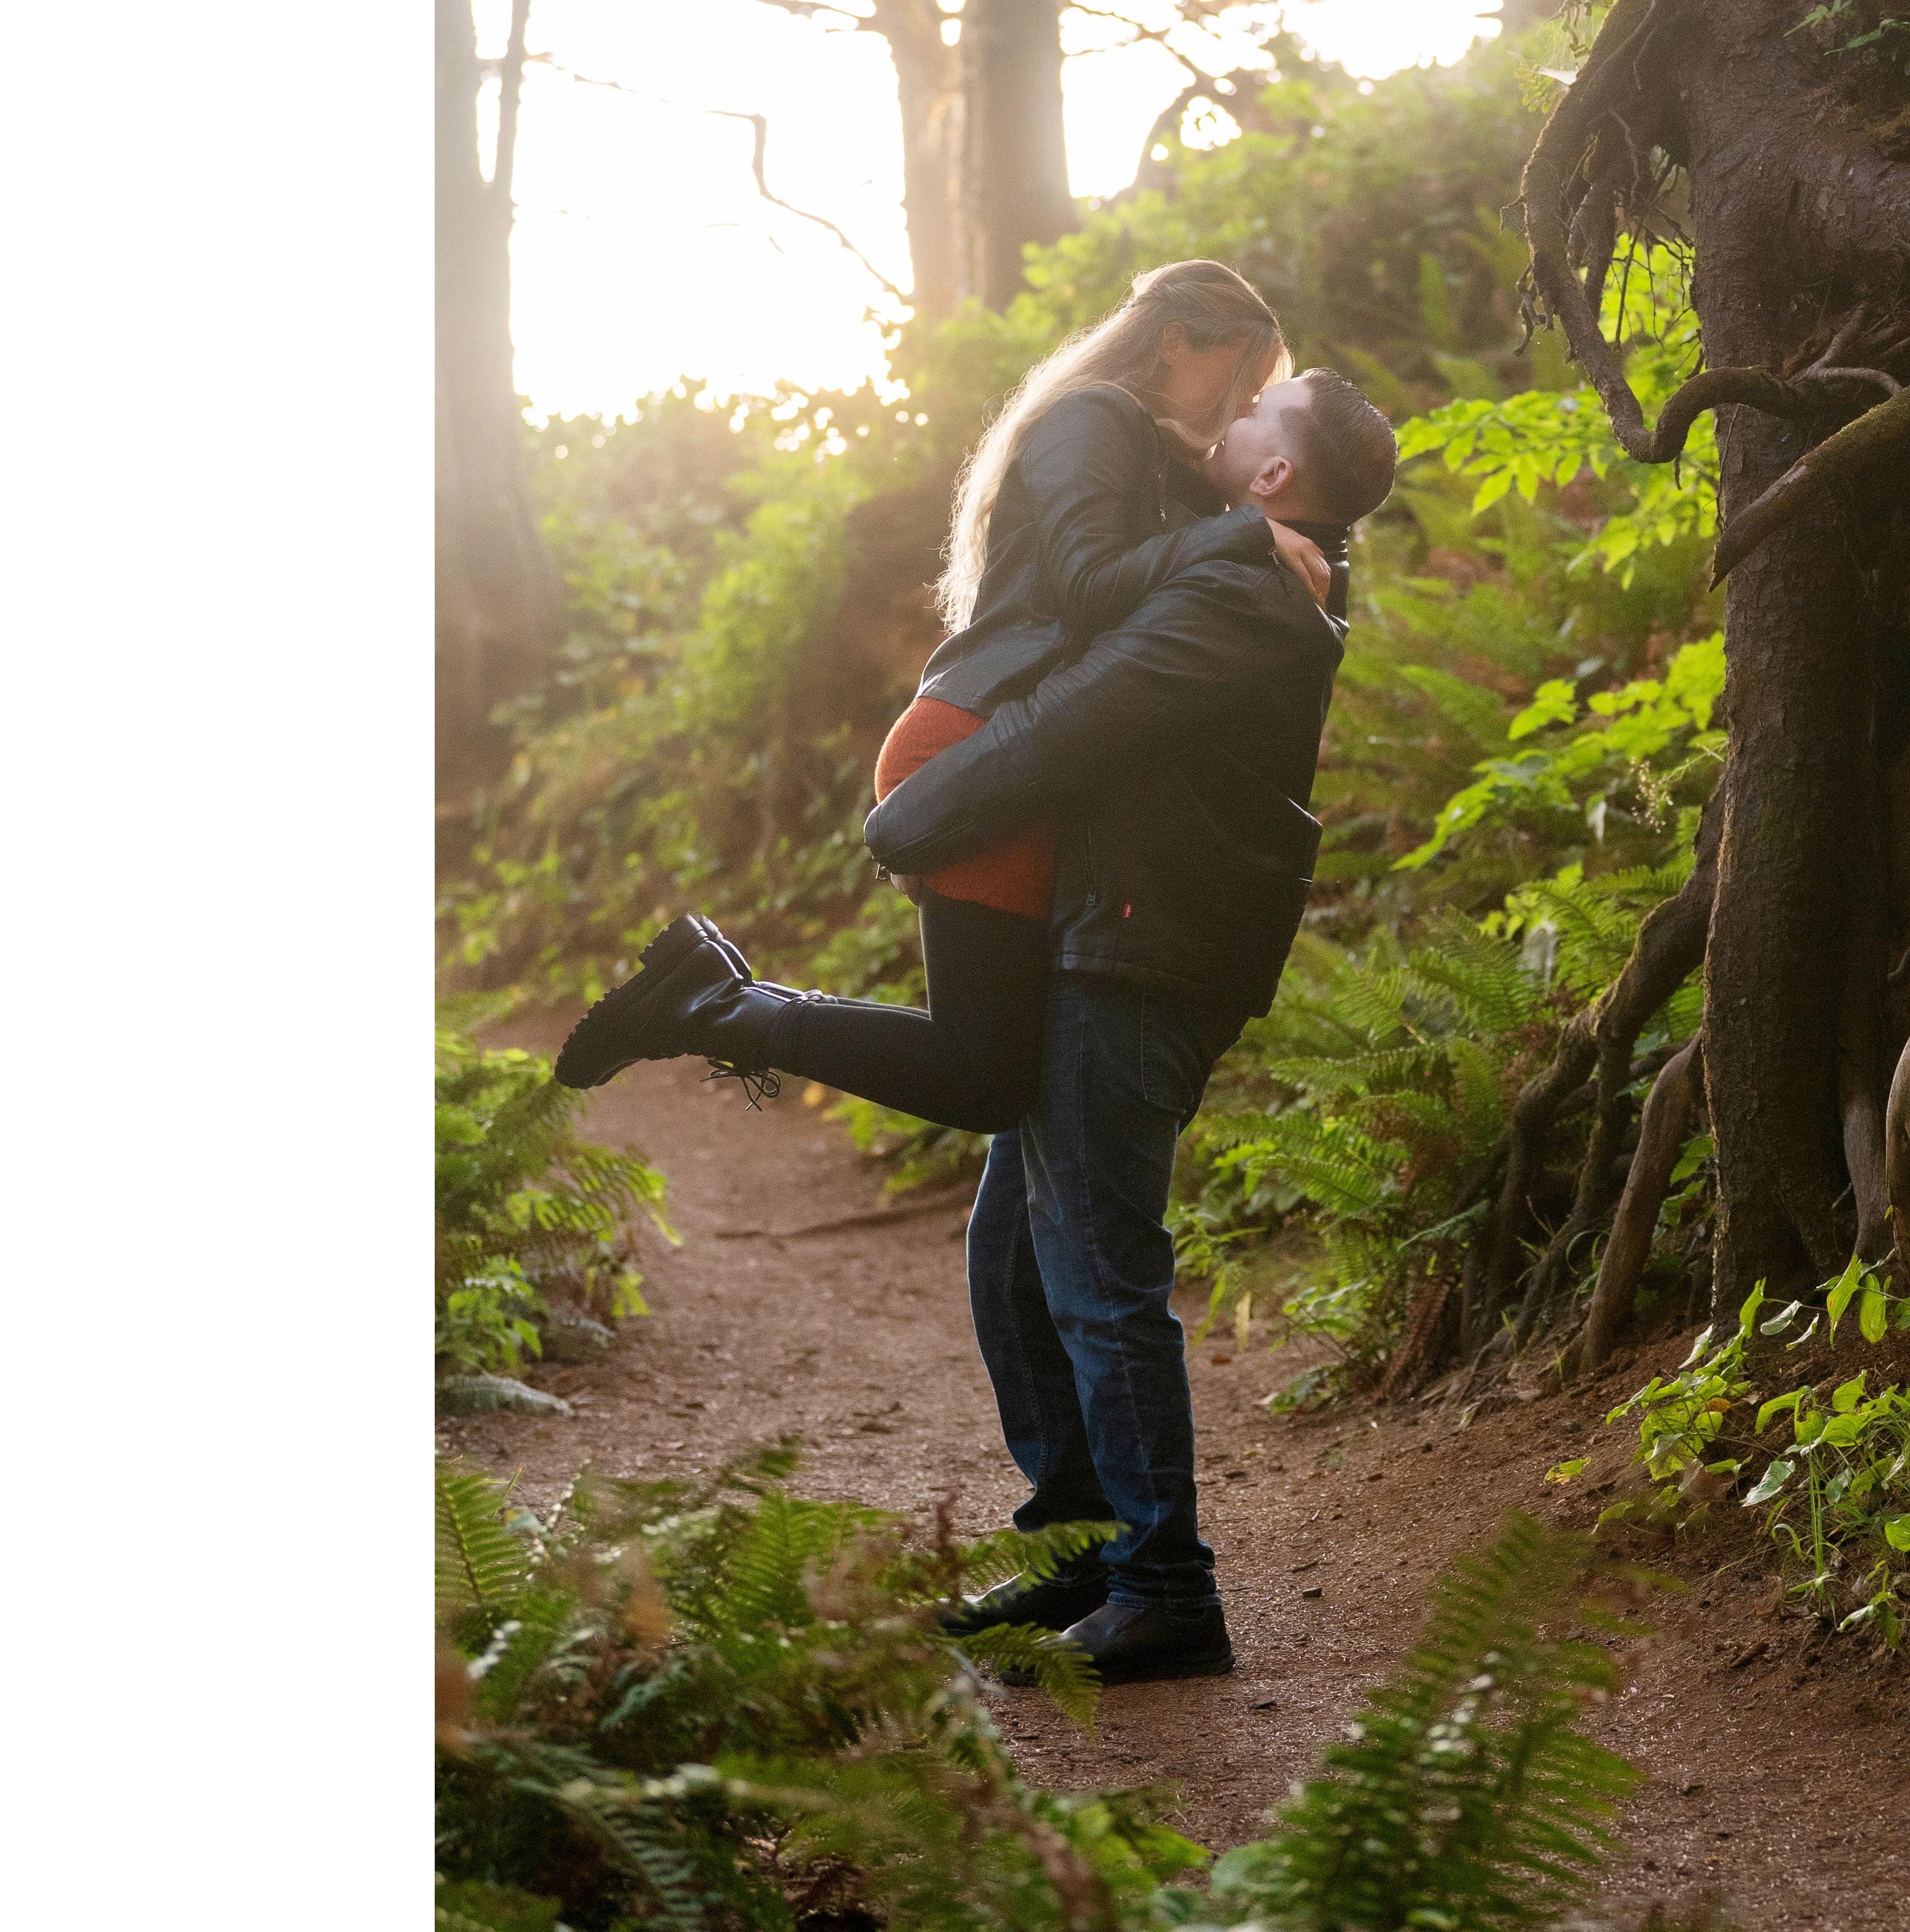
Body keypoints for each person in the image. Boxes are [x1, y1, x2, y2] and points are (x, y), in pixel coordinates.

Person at [554, 261, 1400, 1685]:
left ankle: (1166, 1587)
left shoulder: (1247, 591)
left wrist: (915, 814)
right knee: (1016, 1255)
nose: (1246, 401)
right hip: (1128, 929)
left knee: (1095, 1276)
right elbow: (1086, 634)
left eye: (1272, 402)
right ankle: (1080, 1554)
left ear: (1267, 478)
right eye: (1251, 373)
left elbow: (1079, 719)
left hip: (1141, 948)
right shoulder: (1238, 551)